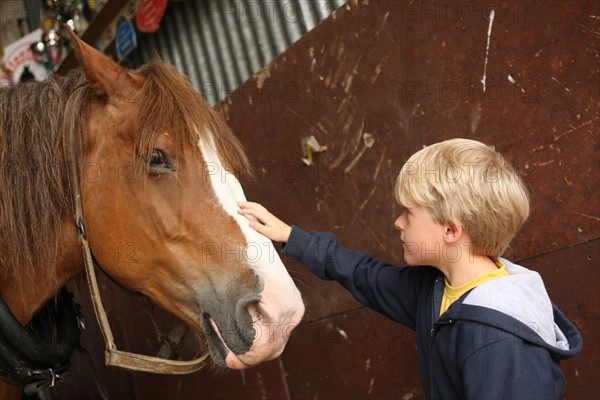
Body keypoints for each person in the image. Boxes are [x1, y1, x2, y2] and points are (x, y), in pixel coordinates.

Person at [238, 138, 582, 399]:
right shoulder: (439, 288)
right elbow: (366, 276)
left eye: (409, 213)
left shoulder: (498, 340)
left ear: (451, 230)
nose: (398, 222)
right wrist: (291, 237)